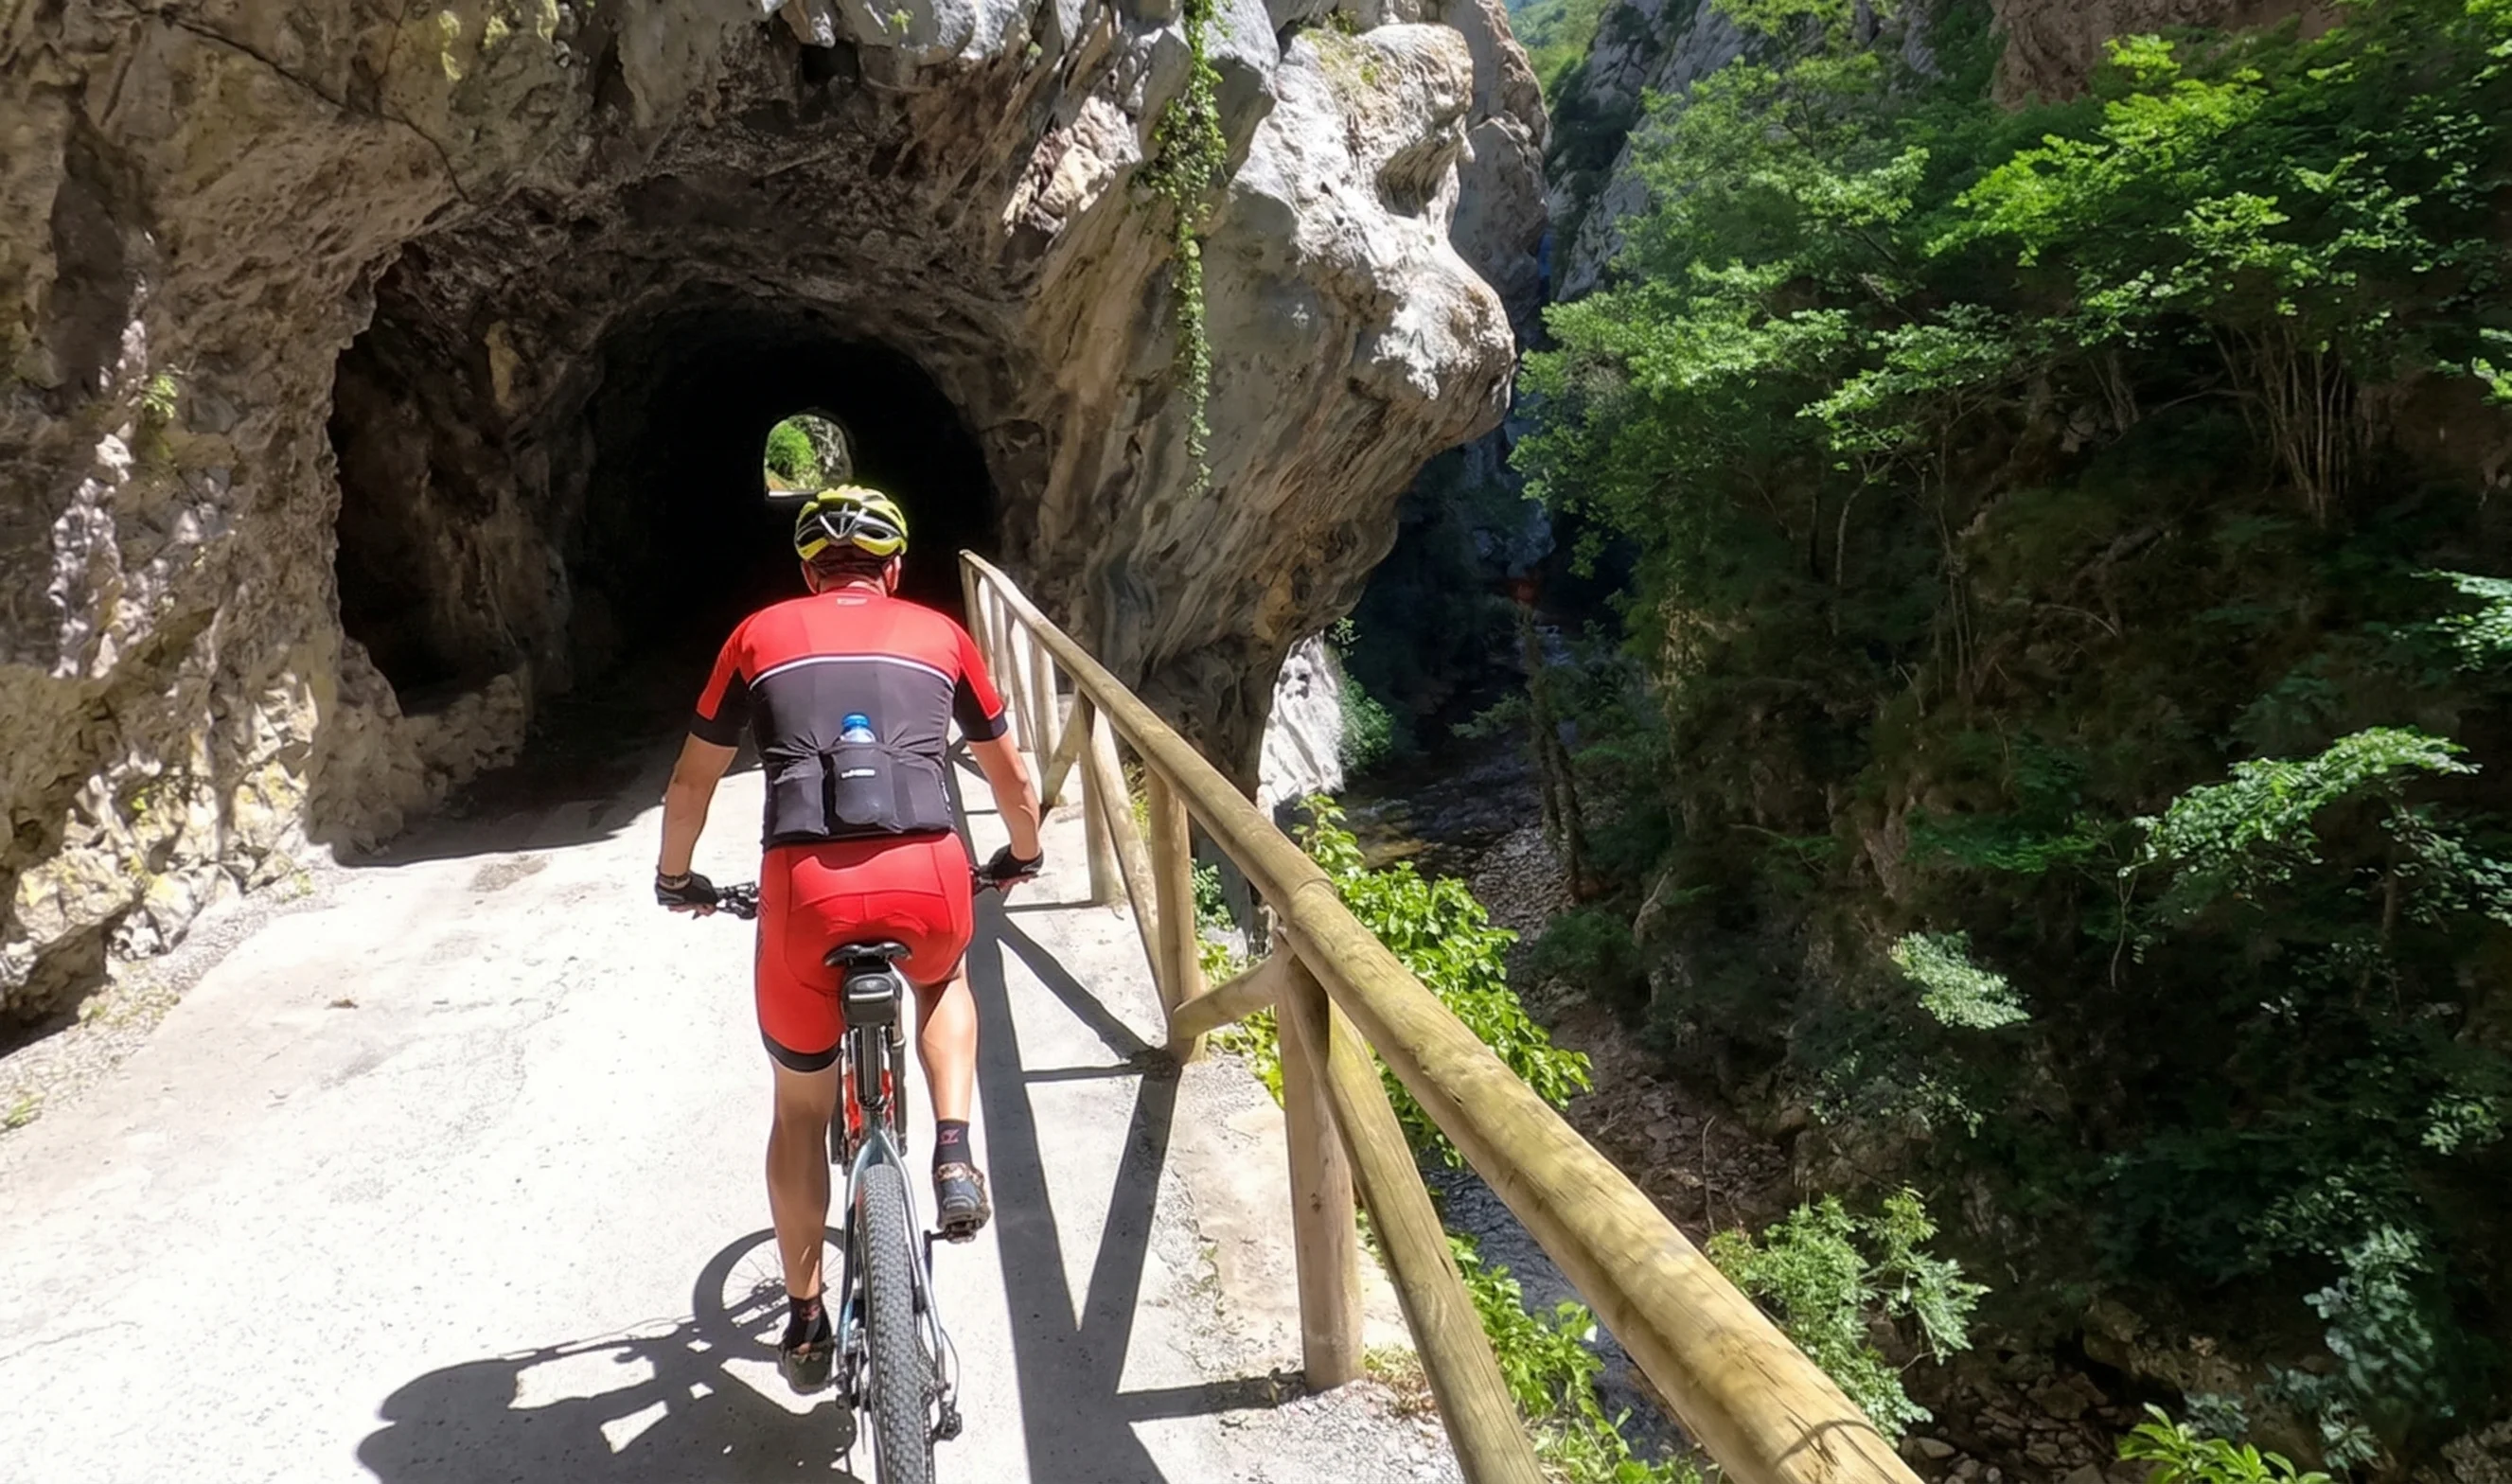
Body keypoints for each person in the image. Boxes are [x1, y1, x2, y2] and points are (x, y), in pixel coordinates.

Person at [649, 485, 1044, 1393]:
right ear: (896, 568)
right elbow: (1013, 781)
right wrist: (1018, 857)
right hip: (930, 876)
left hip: (804, 894)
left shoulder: (755, 635)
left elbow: (689, 783)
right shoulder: (944, 635)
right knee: (943, 983)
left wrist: (678, 880)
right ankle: (951, 1150)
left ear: (805, 572)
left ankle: (804, 1321)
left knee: (799, 1108)